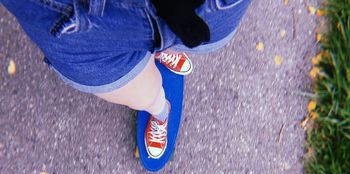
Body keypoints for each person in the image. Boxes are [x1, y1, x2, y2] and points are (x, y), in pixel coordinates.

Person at [1, 0, 251, 159]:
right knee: (144, 94)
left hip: (205, 7)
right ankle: (162, 111)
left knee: (185, 38)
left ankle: (161, 51)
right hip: (74, 17)